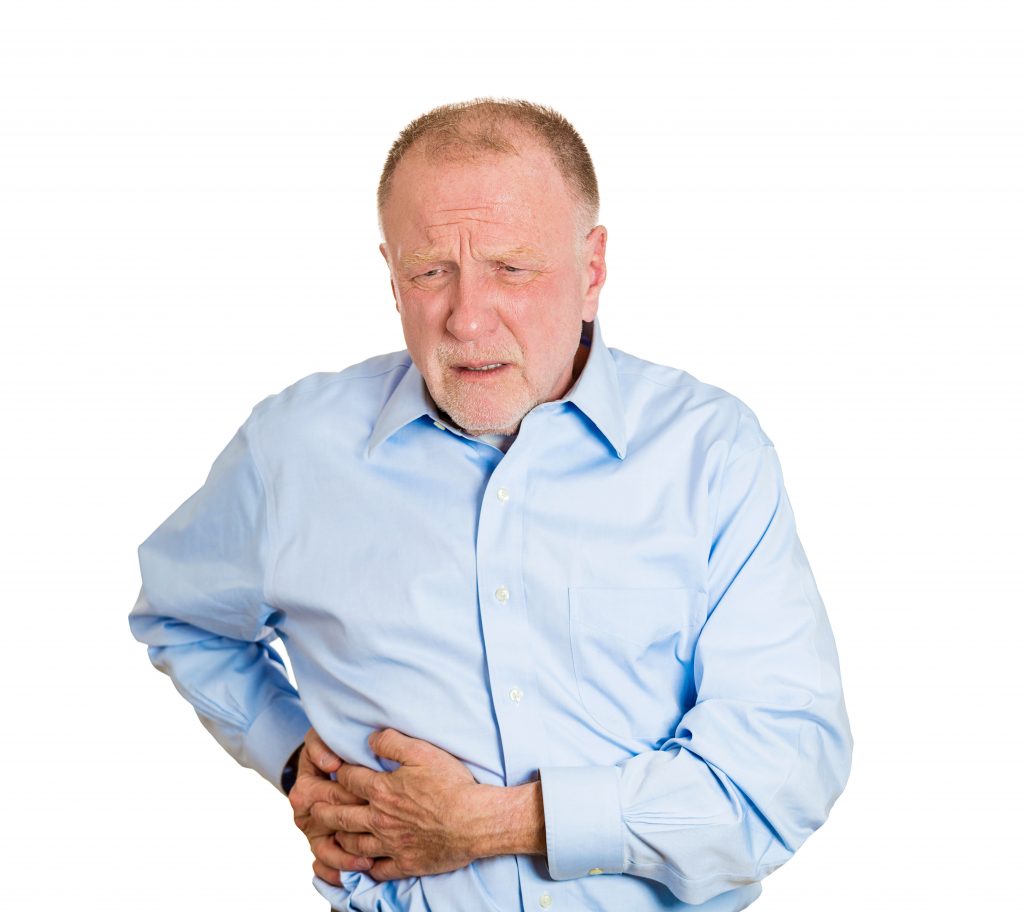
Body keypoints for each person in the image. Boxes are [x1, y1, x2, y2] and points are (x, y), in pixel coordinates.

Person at [130, 98, 853, 912]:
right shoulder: (292, 450)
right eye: (430, 271)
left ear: (592, 271)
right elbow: (180, 615)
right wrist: (301, 765)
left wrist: (497, 824)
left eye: (512, 268)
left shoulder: (711, 454)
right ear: (390, 275)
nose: (467, 317)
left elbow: (786, 767)